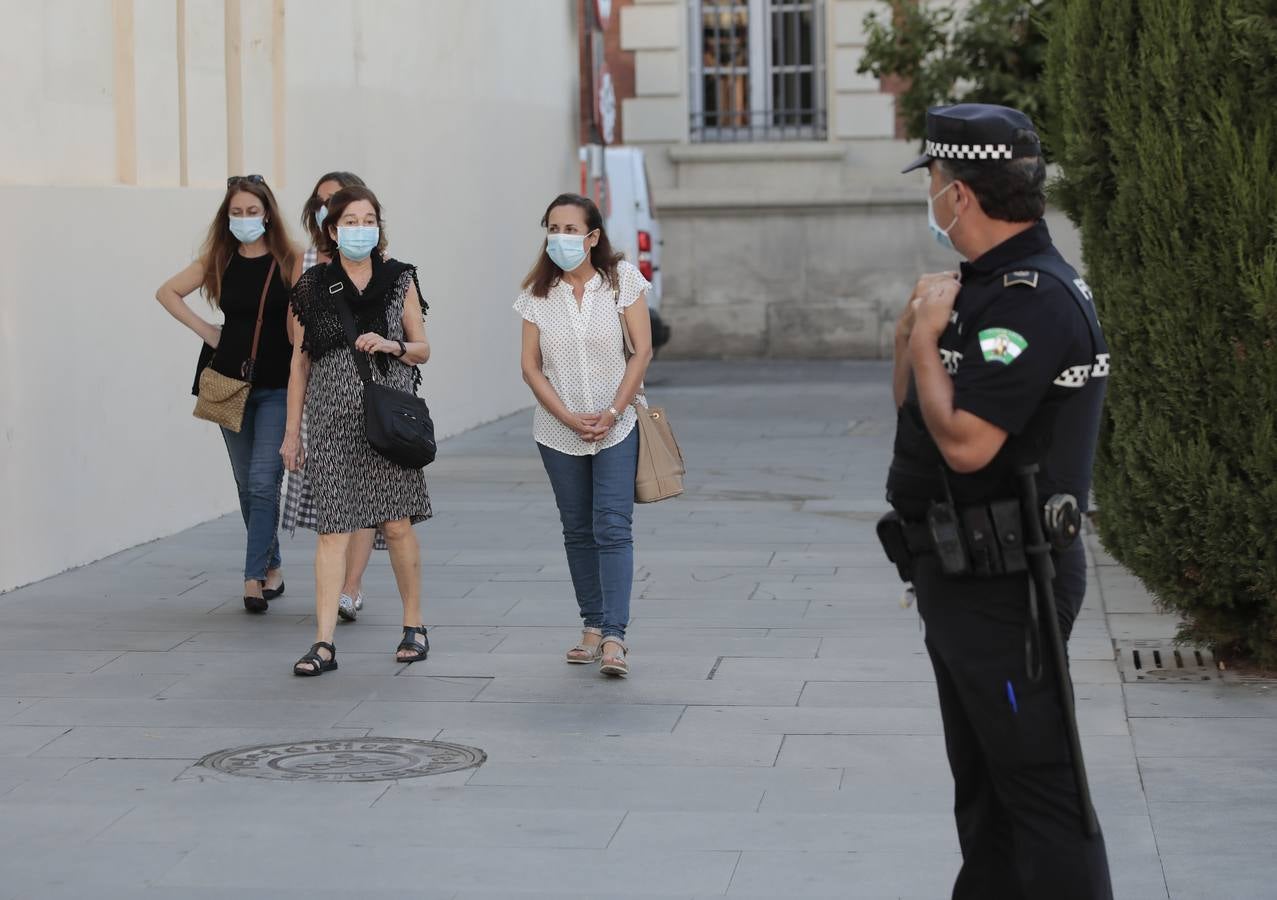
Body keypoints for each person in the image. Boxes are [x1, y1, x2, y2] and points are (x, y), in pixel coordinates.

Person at [884, 104, 1114, 898]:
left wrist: (923, 342)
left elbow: (967, 444)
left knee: (1041, 786)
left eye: (937, 181)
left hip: (1008, 583)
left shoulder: (1031, 298)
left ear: (961, 194)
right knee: (986, 785)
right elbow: (912, 406)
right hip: (960, 572)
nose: (935, 196)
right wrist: (909, 331)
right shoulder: (975, 290)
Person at [282, 185, 433, 676]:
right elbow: (299, 365)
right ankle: (323, 643)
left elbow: (422, 348)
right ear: (332, 229)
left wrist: (392, 345)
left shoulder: (399, 278)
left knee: (395, 522)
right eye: (350, 221)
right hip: (330, 420)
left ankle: (414, 625)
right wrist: (292, 433)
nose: (360, 229)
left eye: (369, 220)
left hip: (387, 418)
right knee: (333, 530)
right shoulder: (311, 286)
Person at [515, 193, 654, 678]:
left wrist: (614, 410)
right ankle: (591, 626)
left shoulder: (621, 281)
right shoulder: (536, 294)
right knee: (577, 530)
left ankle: (615, 636)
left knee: (612, 526)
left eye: (571, 229)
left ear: (593, 237)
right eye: (553, 228)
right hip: (558, 431)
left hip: (618, 426)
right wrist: (569, 416)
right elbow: (531, 367)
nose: (561, 238)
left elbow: (641, 351)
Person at [156, 175, 297, 614]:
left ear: (267, 213)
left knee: (263, 481)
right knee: (245, 484)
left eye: (251, 211)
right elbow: (167, 292)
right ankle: (271, 563)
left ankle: (253, 578)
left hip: (276, 386)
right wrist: (207, 331)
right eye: (236, 212)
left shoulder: (289, 260)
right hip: (227, 383)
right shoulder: (220, 259)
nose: (244, 219)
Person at [281, 170, 382, 623]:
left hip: (371, 395)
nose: (331, 207)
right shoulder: (305, 265)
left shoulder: (384, 267)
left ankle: (351, 586)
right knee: (333, 499)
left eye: (339, 200)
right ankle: (329, 607)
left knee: (365, 497)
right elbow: (295, 344)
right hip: (322, 396)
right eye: (324, 201)